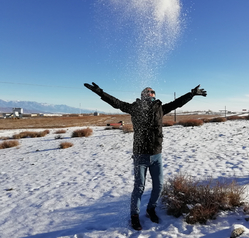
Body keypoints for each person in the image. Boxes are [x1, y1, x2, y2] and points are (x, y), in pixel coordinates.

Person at [84, 82, 207, 230]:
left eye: (153, 91)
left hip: (156, 155)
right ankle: (134, 216)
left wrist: (191, 94)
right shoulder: (135, 108)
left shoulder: (160, 108)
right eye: (147, 91)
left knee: (159, 186)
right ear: (143, 95)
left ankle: (151, 209)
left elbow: (177, 103)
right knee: (139, 187)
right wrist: (100, 93)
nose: (151, 93)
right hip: (140, 156)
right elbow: (116, 103)